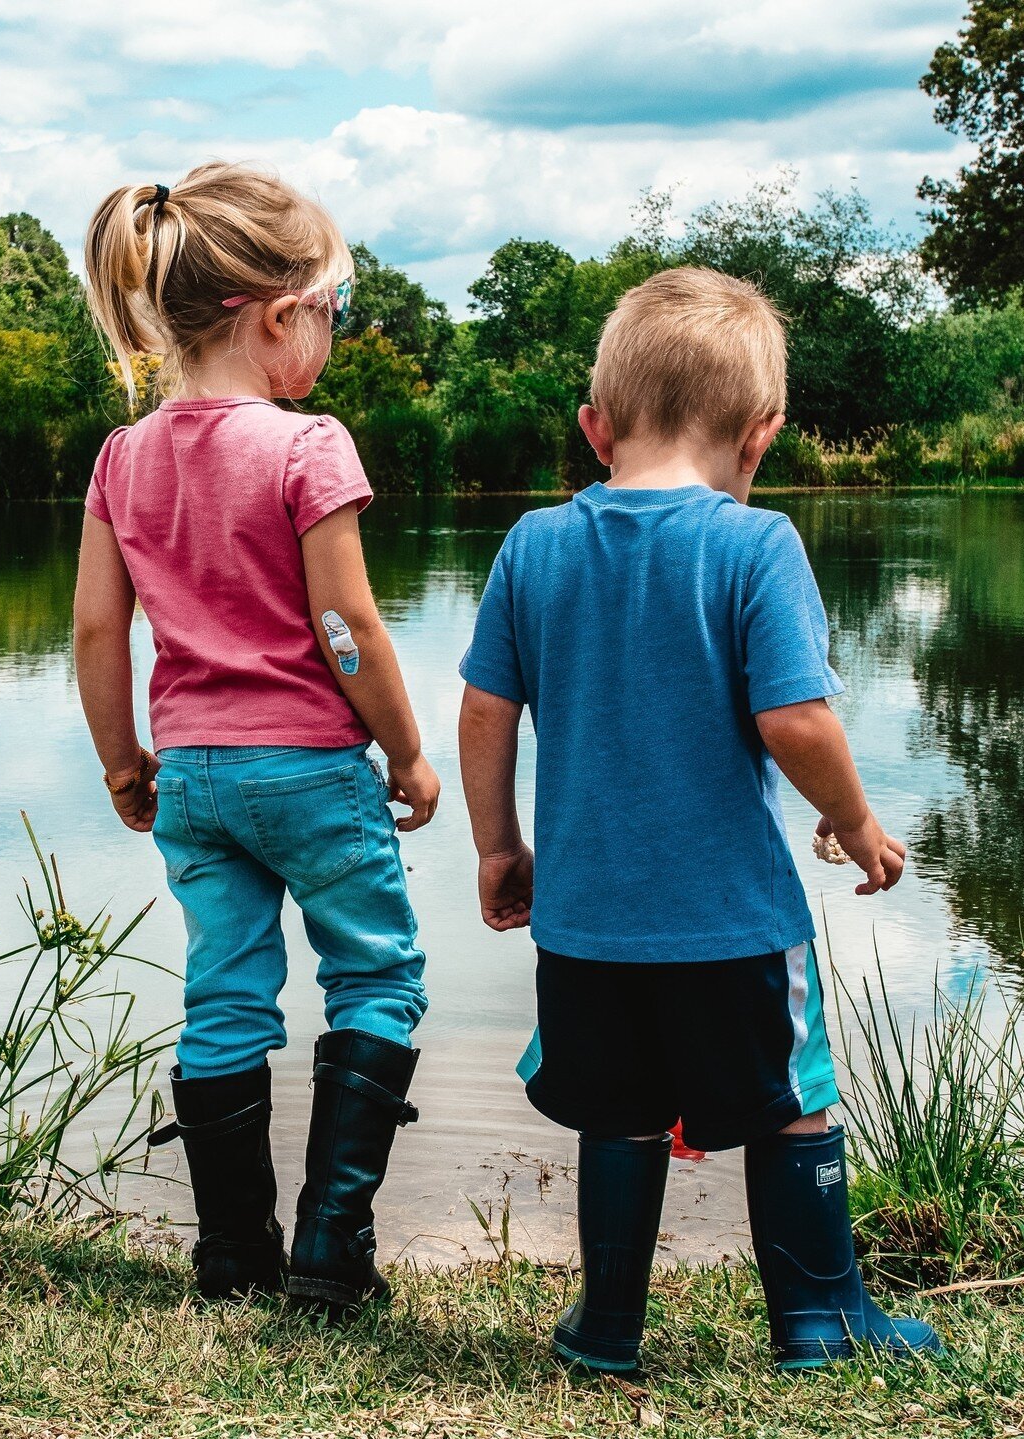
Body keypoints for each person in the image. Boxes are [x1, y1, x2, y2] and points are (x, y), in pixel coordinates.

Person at [457, 267, 941, 1370]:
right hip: (730, 920)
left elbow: (485, 708)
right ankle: (818, 1318)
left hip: (583, 923)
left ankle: (606, 1326)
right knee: (792, 1101)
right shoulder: (752, 544)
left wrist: (497, 845)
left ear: (594, 427)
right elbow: (796, 718)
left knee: (617, 1112)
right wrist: (855, 823)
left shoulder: (532, 545)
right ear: (760, 433)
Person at [74, 162, 438, 1313]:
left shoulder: (123, 455)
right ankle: (332, 1254)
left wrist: (121, 761)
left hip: (191, 776)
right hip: (310, 770)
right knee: (374, 974)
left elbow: (95, 626)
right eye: (330, 312)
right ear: (278, 316)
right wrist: (410, 750)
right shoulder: (304, 445)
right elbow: (345, 622)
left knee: (225, 994)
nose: (330, 336)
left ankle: (232, 1256)